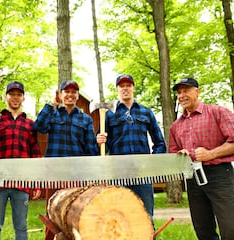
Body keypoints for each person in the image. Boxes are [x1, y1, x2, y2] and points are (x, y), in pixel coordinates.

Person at [96, 74, 166, 228]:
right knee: (121, 218)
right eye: (122, 86)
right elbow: (103, 149)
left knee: (145, 217)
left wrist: (152, 164)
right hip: (118, 173)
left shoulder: (146, 112)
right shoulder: (108, 115)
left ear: (133, 88)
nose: (125, 88)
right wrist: (100, 141)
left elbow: (160, 142)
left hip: (142, 173)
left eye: (128, 85)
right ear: (117, 90)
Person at [169, 77, 234, 240]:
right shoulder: (175, 126)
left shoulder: (218, 112)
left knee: (230, 227)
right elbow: (173, 154)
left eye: (186, 91)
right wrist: (181, 157)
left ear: (197, 91)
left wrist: (211, 153)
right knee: (203, 230)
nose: (182, 95)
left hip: (220, 175)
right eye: (179, 92)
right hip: (193, 178)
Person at [34, 80, 99, 240]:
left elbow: (90, 148)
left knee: (76, 212)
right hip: (54, 172)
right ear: (61, 94)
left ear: (77, 96)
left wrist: (92, 172)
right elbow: (39, 127)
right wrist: (51, 105)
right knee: (52, 213)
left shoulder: (85, 119)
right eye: (66, 91)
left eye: (73, 92)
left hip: (77, 174)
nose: (70, 95)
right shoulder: (52, 114)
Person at [0, 81, 42, 240]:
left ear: (23, 98)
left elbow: (35, 153)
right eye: (12, 94)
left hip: (21, 182)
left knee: (22, 226)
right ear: (5, 97)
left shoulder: (30, 124)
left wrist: (35, 181)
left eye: (19, 95)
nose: (15, 98)